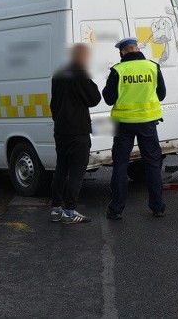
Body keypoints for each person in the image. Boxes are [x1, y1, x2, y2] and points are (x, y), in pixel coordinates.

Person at [102, 38, 167, 220]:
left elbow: (108, 98)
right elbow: (161, 94)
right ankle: (157, 206)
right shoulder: (153, 67)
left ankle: (116, 209)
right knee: (152, 164)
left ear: (122, 52)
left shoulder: (118, 70)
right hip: (148, 123)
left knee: (121, 165)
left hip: (124, 124)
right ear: (137, 48)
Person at [50, 44, 101, 224]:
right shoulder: (80, 74)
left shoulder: (59, 75)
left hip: (61, 130)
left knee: (61, 169)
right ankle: (70, 212)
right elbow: (95, 98)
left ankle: (56, 209)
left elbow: (53, 104)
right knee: (77, 172)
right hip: (77, 131)